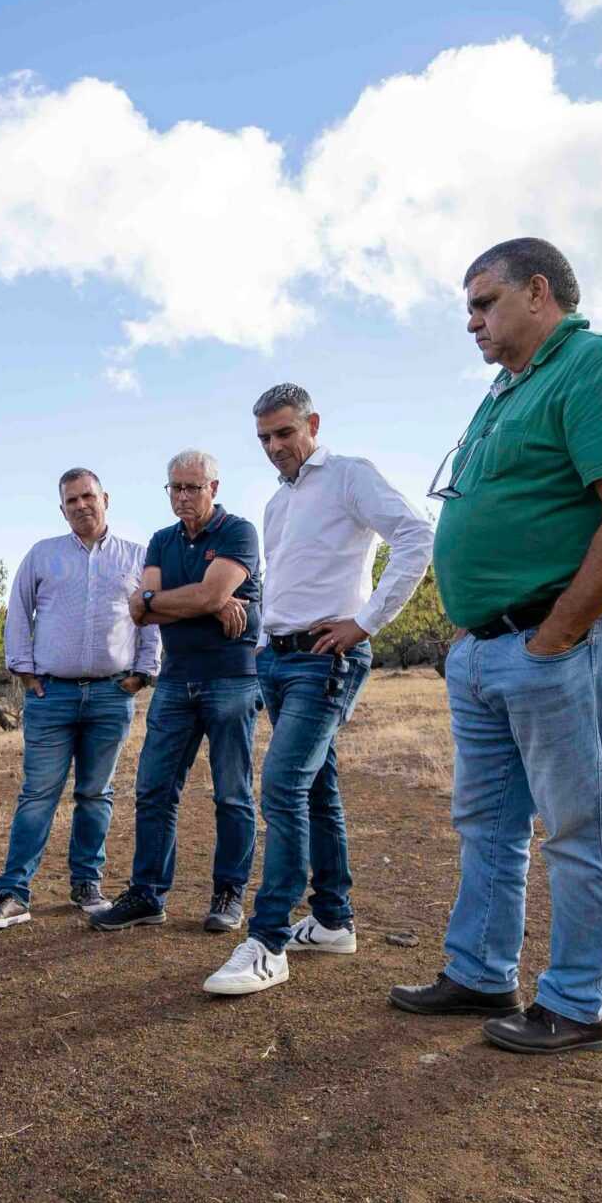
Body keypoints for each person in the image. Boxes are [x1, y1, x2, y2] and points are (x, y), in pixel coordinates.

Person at [391, 237, 602, 1054]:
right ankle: (480, 970)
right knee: (487, 822)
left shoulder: (598, 364)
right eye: (470, 309)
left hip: (556, 636)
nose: (472, 322)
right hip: (489, 646)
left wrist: (556, 637)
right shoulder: (508, 390)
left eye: (483, 303)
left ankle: (578, 1003)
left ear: (538, 293)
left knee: (576, 825)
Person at [204, 384, 434, 997]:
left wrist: (366, 621)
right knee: (317, 788)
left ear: (312, 424)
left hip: (326, 659)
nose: (274, 447)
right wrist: (260, 643)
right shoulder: (278, 504)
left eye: (284, 433)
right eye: (263, 439)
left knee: (281, 785)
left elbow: (417, 534)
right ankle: (333, 920)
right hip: (276, 662)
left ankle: (268, 941)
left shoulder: (350, 476)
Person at [0, 469, 160, 930]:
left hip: (111, 693)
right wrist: (23, 668)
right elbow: (18, 611)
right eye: (71, 500)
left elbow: (151, 617)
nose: (81, 505)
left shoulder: (137, 556)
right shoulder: (43, 555)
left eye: (88, 496)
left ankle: (86, 885)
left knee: (97, 794)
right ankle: (13, 893)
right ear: (62, 509)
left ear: (106, 498)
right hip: (51, 694)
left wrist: (143, 673)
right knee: (38, 794)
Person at [89, 451, 262, 933]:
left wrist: (172, 600)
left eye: (193, 487)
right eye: (175, 488)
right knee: (155, 788)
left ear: (214, 487)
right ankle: (147, 894)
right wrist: (202, 602)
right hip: (176, 678)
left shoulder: (238, 532)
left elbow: (195, 596)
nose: (183, 497)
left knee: (232, 792)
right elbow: (141, 612)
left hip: (232, 676)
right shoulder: (162, 541)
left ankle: (228, 894)